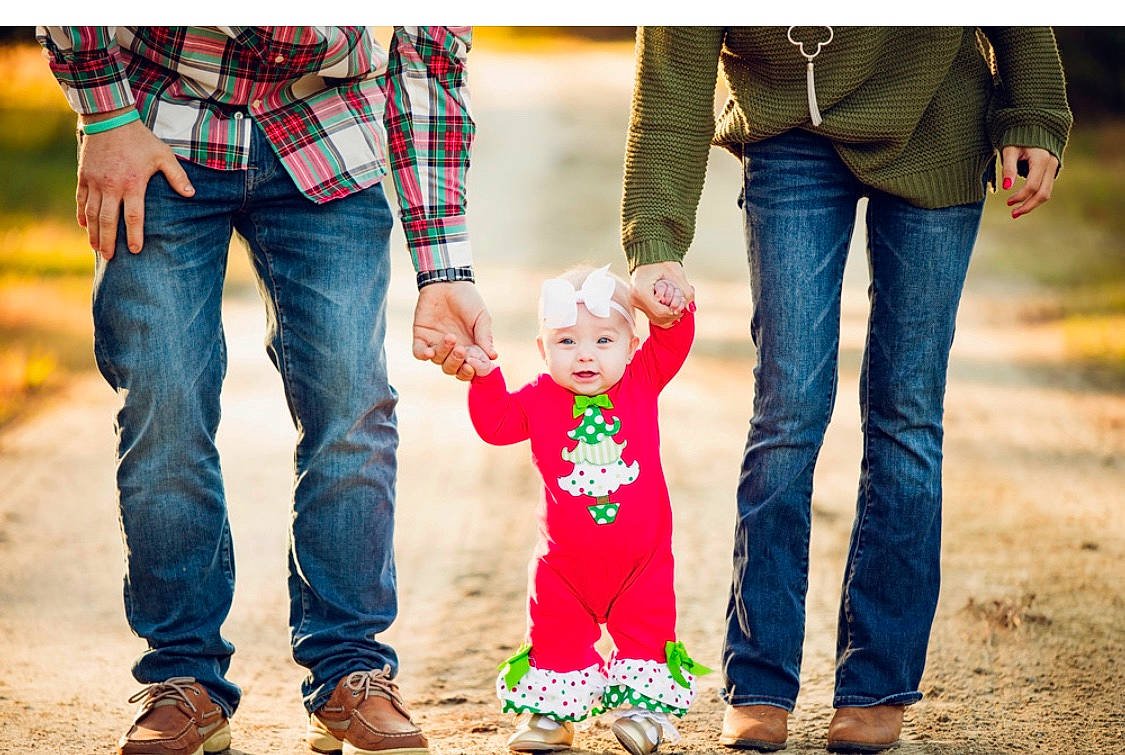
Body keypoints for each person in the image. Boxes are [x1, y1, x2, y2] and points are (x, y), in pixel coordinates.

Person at [36, 25, 495, 755]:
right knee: (164, 403)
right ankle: (183, 678)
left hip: (326, 132)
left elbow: (428, 62)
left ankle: (350, 670)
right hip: (159, 123)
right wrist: (106, 113)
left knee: (351, 403)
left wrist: (444, 270)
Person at [621, 27, 1071, 753]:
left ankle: (875, 683)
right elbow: (672, 72)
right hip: (787, 129)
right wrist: (655, 239)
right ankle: (759, 680)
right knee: (787, 407)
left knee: (905, 412)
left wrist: (1033, 112)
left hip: (935, 117)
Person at [464, 266, 708, 755]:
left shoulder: (641, 380)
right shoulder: (538, 397)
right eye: (567, 342)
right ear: (542, 350)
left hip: (641, 563)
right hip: (563, 567)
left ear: (631, 347)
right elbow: (496, 425)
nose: (585, 354)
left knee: (647, 632)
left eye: (602, 340)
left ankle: (646, 716)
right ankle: (552, 715)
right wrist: (485, 376)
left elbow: (674, 340)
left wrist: (668, 304)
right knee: (554, 633)